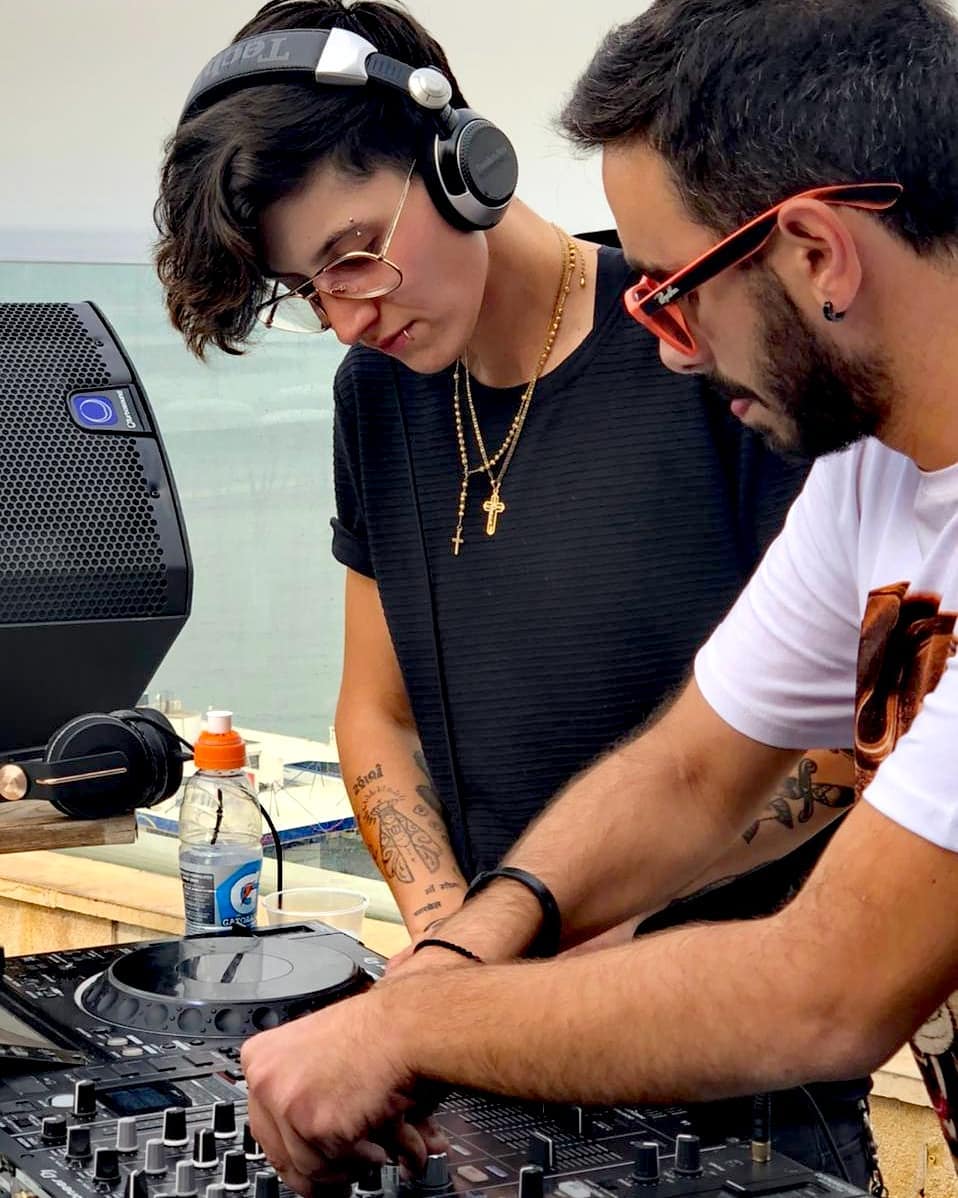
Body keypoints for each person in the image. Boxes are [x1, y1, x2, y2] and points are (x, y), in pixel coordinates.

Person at [228, 0, 958, 1188]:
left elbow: (824, 988)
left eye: (673, 287)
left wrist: (412, 1023)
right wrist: (467, 944)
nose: (668, 343)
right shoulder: (871, 476)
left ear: (817, 253)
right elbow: (689, 769)